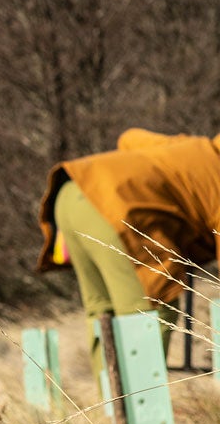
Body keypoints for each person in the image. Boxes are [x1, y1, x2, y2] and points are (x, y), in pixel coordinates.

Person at [38, 129, 220, 381]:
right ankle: (140, 401)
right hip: (116, 207)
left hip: (72, 191)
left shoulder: (191, 147)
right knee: (152, 309)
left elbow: (128, 138)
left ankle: (107, 401)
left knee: (102, 311)